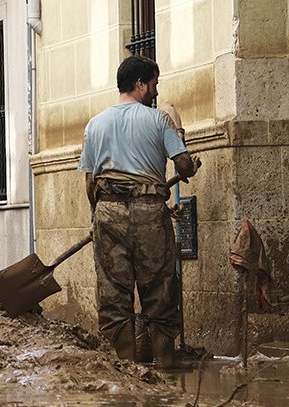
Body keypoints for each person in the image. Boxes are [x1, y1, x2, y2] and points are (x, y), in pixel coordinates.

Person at [78, 55, 199, 369]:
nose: (156, 92)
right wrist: (182, 141)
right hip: (149, 212)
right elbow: (184, 167)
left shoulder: (95, 125)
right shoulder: (159, 119)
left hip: (108, 211)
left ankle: (129, 375)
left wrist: (99, 218)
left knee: (114, 296)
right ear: (140, 84)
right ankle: (169, 371)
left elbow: (90, 184)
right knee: (159, 291)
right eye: (154, 84)